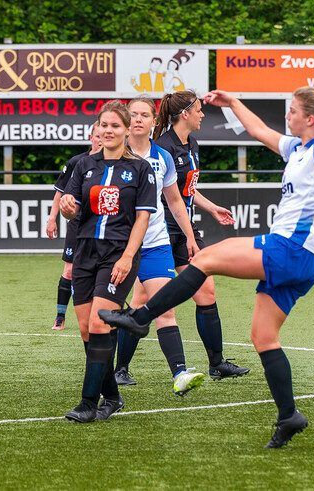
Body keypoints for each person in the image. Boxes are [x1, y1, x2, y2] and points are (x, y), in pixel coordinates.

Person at [99, 87, 314, 448]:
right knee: (263, 338)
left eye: (294, 110)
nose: (288, 115)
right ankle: (289, 416)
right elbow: (259, 132)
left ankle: (141, 317)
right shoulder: (297, 148)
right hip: (303, 261)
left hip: (290, 250)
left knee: (205, 259)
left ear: (310, 119)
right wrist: (234, 103)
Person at [60, 100, 157, 423]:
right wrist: (67, 208)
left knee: (101, 323)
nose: (108, 131)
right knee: (88, 330)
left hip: (118, 253)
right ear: (97, 129)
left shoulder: (142, 170)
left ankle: (88, 402)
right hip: (86, 250)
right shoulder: (84, 165)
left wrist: (129, 256)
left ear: (127, 130)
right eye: (104, 125)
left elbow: (143, 218)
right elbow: (70, 207)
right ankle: (112, 397)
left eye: (115, 126)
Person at [113, 96, 205, 396]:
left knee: (164, 309)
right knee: (115, 311)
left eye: (144, 115)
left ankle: (179, 374)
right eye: (133, 114)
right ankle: (114, 371)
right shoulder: (111, 154)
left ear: (154, 122)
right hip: (115, 247)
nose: (138, 119)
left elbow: (175, 201)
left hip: (155, 244)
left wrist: (190, 238)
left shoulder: (162, 158)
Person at [156, 90, 249, 381]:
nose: (202, 114)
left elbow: (186, 190)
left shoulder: (192, 144)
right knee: (144, 301)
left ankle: (217, 363)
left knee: (206, 291)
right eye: (198, 110)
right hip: (159, 232)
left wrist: (210, 208)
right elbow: (164, 195)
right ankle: (119, 369)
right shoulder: (161, 148)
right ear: (184, 114)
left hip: (184, 230)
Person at [45, 123, 102, 330]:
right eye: (97, 135)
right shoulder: (77, 162)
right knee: (69, 270)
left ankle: (96, 313)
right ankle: (60, 316)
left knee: (100, 270)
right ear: (91, 137)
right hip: (78, 225)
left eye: (103, 135)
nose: (100, 139)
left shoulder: (113, 163)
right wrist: (52, 219)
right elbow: (60, 192)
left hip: (101, 225)